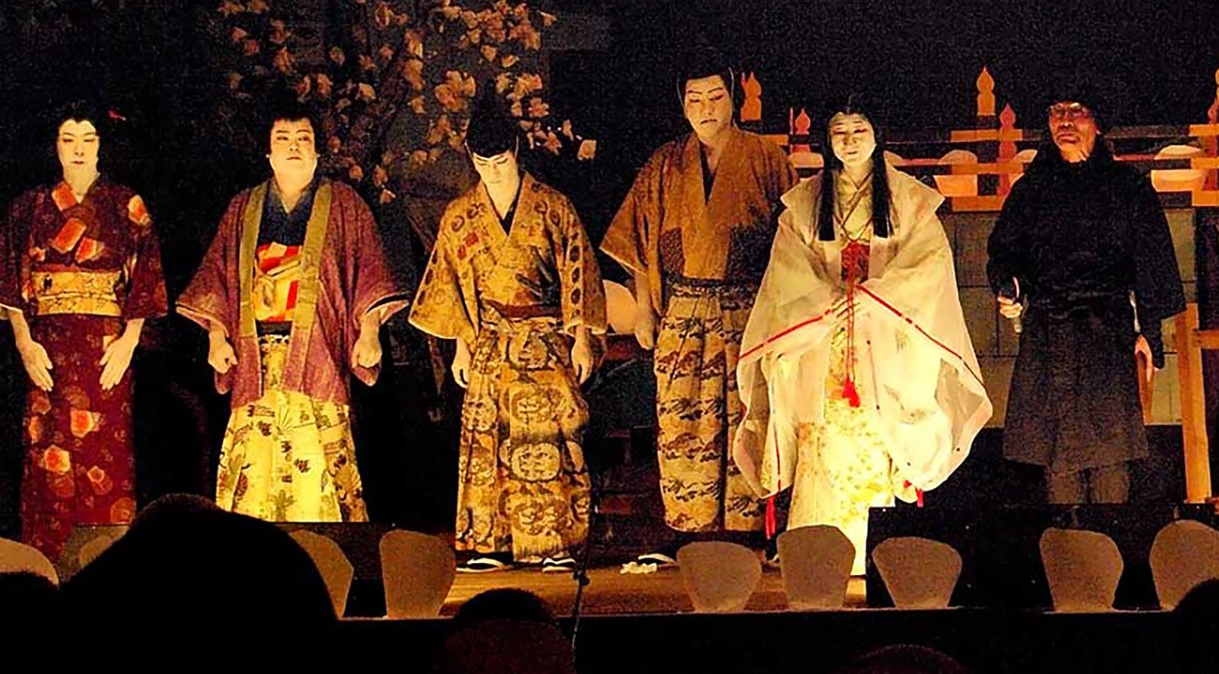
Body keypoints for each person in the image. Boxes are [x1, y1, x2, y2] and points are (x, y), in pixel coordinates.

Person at [734, 105, 990, 573]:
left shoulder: (910, 200)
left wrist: (876, 295)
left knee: (879, 437)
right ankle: (818, 553)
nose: (850, 140)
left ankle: (876, 553)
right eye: (839, 131)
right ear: (827, 139)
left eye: (859, 129)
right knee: (821, 441)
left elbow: (928, 264)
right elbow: (787, 269)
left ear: (877, 134)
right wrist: (823, 303)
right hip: (823, 338)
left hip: (885, 339)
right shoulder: (804, 203)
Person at [177, 92, 407, 522]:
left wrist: (370, 330)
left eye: (304, 138)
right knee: (253, 473)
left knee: (320, 467)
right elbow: (218, 277)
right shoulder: (243, 208)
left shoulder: (345, 206)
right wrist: (216, 336)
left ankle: (326, 553)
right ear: (268, 153)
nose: (294, 146)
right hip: (255, 359)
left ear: (318, 152)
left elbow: (369, 271)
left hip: (317, 356)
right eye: (283, 138)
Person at [411, 93, 606, 571]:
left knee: (550, 436)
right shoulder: (460, 215)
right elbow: (452, 284)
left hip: (545, 338)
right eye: (483, 163)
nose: (493, 171)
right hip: (489, 340)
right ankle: (490, 543)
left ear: (516, 151)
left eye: (500, 161)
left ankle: (556, 541)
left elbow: (578, 272)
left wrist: (581, 337)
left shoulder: (552, 207)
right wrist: (460, 346)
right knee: (488, 440)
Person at [603, 54, 795, 536]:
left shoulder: (766, 158)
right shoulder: (665, 163)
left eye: (715, 97)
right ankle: (691, 526)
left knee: (749, 413)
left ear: (733, 100)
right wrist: (643, 308)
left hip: (749, 308)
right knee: (683, 419)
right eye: (695, 100)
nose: (706, 109)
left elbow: (794, 240)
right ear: (682, 105)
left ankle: (750, 527)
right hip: (683, 309)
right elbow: (637, 236)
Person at [986, 78, 1184, 504]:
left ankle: (1111, 538)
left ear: (1097, 122)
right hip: (1048, 327)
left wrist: (1149, 333)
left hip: (1108, 330)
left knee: (1111, 447)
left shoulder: (1127, 186)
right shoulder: (1032, 188)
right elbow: (1005, 252)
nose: (1066, 122)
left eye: (1077, 111)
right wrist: (1009, 287)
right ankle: (1067, 542)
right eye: (1057, 112)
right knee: (1056, 448)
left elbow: (1150, 262)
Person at [1, 102, 166, 560]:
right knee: (46, 458)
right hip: (48, 348)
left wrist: (129, 341)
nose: (78, 149)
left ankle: (108, 570)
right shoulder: (30, 207)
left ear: (100, 145)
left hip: (106, 349)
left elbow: (145, 276)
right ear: (55, 146)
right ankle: (46, 571)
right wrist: (24, 342)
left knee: (106, 457)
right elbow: (10, 279)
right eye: (68, 139)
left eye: (88, 139)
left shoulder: (125, 205)